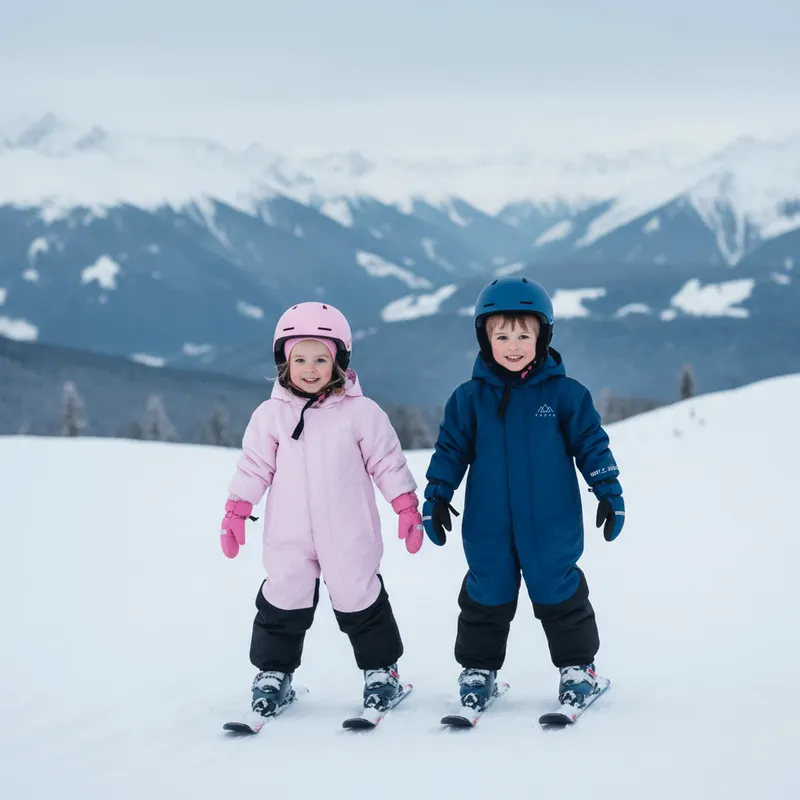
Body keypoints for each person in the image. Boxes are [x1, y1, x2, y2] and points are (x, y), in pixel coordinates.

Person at [421, 276, 625, 713]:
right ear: (485, 338)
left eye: (523, 334)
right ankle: (478, 671)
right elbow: (451, 450)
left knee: (559, 592)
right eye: (501, 335)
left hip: (551, 523)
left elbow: (592, 444)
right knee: (485, 595)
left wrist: (608, 491)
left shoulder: (565, 395)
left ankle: (578, 669)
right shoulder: (469, 400)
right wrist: (437, 496)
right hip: (488, 524)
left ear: (542, 336)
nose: (513, 345)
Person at [220, 301, 423, 720]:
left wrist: (405, 505)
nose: (310, 369)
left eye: (320, 358)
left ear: (339, 362)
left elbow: (387, 462)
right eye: (300, 359)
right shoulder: (270, 416)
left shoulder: (362, 414)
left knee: (360, 600)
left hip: (349, 533)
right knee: (283, 601)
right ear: (284, 362)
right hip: (289, 535)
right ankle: (274, 674)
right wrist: (237, 511)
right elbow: (254, 466)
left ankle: (382, 671)